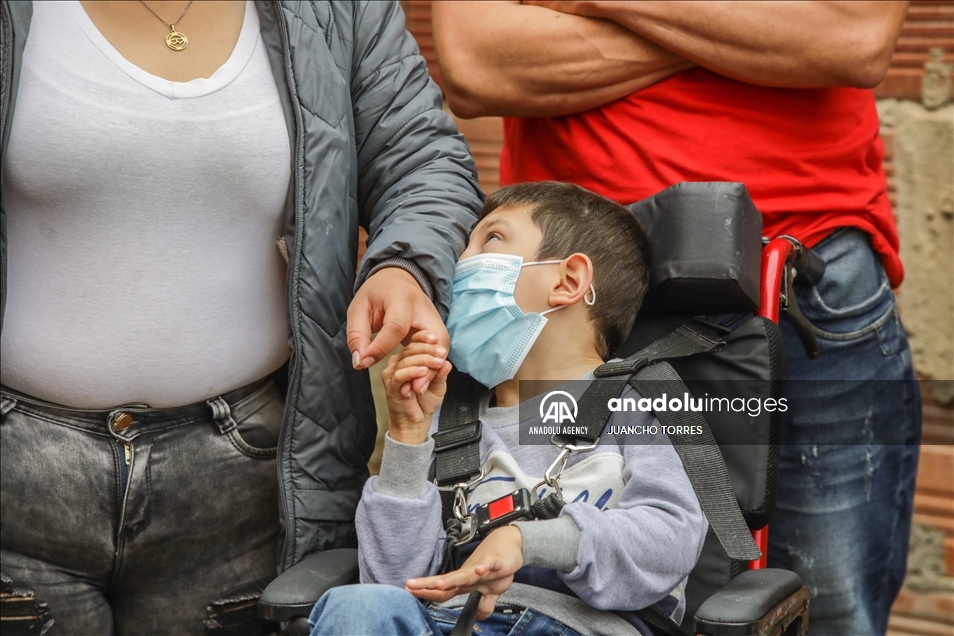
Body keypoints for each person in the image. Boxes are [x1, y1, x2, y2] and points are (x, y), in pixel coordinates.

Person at [432, 2, 921, 634]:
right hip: (560, 306)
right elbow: (479, 65)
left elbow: (851, 39)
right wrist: (752, 36)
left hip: (800, 276)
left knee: (828, 612)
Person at [0, 1, 481, 634]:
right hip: (17, 479)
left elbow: (423, 160)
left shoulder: (338, 10)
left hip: (243, 479)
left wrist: (405, 266)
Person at [307, 182, 709, 636]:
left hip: (578, 626)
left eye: (491, 239)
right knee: (356, 608)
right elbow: (393, 584)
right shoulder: (449, 418)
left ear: (568, 281)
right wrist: (408, 437)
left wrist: (529, 540)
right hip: (454, 622)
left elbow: (672, 539)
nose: (458, 262)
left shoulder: (643, 405)